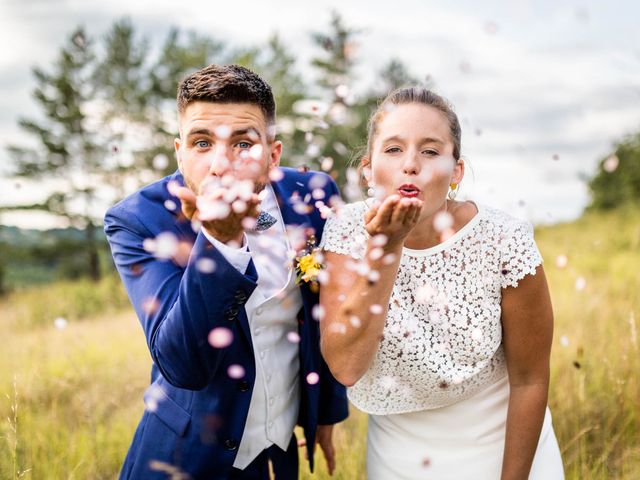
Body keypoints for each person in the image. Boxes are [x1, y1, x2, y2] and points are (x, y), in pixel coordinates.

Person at [104, 64, 348, 479]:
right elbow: (183, 365)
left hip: (278, 453)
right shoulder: (138, 220)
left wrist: (325, 412)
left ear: (273, 155)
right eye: (202, 143)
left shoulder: (313, 194)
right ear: (180, 152)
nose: (221, 165)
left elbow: (327, 308)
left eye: (243, 143)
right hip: (187, 458)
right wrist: (219, 245)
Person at [319, 87, 564, 479]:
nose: (411, 165)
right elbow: (345, 366)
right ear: (367, 168)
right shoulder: (346, 231)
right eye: (394, 149)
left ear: (456, 171)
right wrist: (384, 250)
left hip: (504, 444)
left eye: (431, 151)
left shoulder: (504, 240)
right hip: (399, 455)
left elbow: (531, 379)